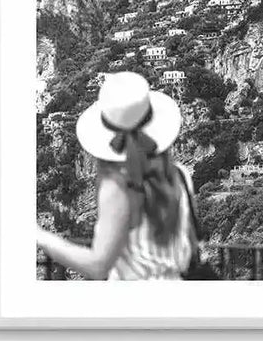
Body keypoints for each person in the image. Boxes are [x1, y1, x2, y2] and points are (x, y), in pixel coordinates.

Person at [37, 71, 196, 280]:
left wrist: (40, 236)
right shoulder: (180, 174)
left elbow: (98, 266)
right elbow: (190, 247)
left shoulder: (117, 188)